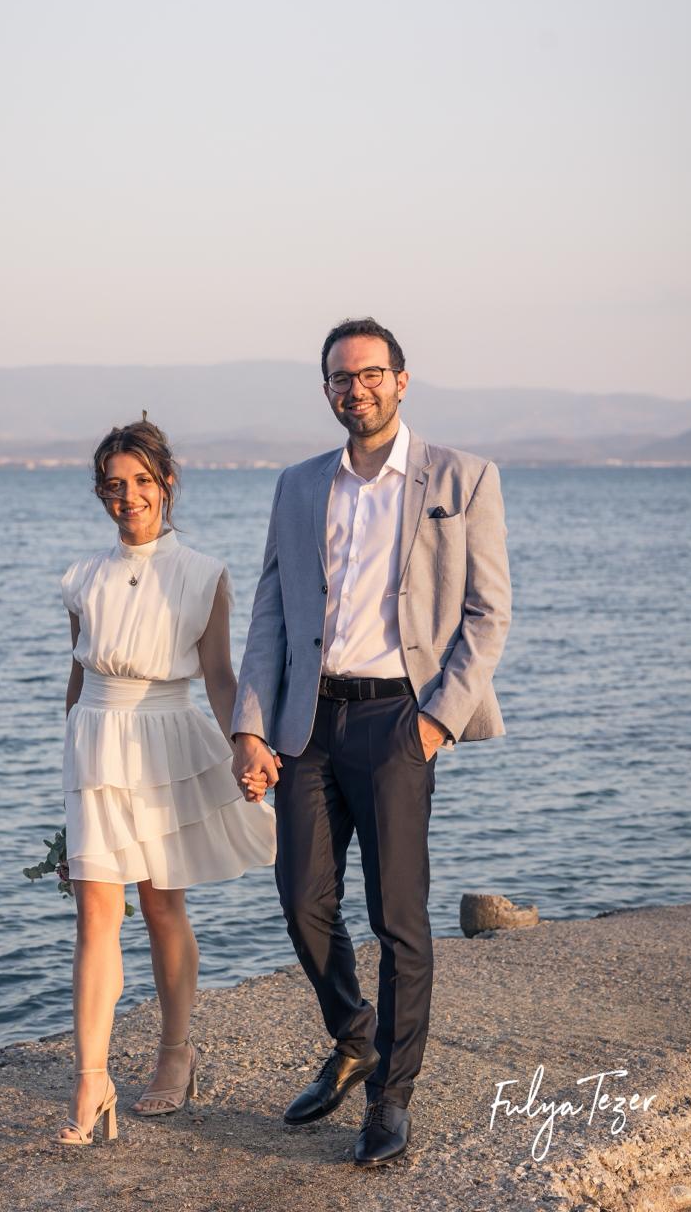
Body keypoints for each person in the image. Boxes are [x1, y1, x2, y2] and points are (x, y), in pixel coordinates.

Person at [231, 318, 512, 1167]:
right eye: (338, 379)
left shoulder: (461, 478)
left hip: (399, 721)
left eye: (368, 374)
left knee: (399, 921)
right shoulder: (298, 485)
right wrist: (249, 724)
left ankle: (391, 1099)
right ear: (326, 391)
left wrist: (435, 720)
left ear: (400, 379)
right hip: (307, 724)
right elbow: (271, 612)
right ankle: (353, 1036)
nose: (353, 389)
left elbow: (487, 615)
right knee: (302, 901)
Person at [55, 416, 276, 1146]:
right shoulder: (81, 577)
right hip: (93, 742)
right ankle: (92, 1078)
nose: (129, 497)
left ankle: (174, 1055)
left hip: (164, 742)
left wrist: (247, 745)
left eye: (142, 482)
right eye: (114, 486)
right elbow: (77, 676)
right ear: (98, 493)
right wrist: (70, 789)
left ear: (167, 483)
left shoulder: (203, 572)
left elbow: (217, 676)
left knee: (159, 906)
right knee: (94, 912)